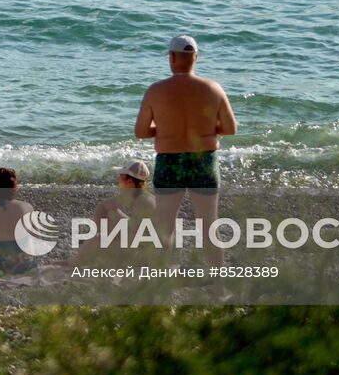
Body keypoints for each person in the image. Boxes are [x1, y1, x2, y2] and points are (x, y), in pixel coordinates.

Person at [134, 35, 236, 266]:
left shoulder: (156, 90)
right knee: (209, 225)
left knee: (165, 226)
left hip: (170, 162)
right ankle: (219, 287)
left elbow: (140, 131)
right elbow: (230, 128)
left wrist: (167, 131)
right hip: (204, 161)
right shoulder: (213, 88)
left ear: (171, 57)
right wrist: (205, 131)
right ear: (196, 58)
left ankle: (159, 285)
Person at [76, 161, 157, 263]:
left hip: (146, 255)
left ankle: (72, 264)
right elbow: (103, 206)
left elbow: (134, 243)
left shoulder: (143, 202)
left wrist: (101, 242)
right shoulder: (135, 195)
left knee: (96, 242)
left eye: (122, 177)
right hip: (139, 242)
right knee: (111, 213)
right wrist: (99, 234)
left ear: (130, 181)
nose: (119, 181)